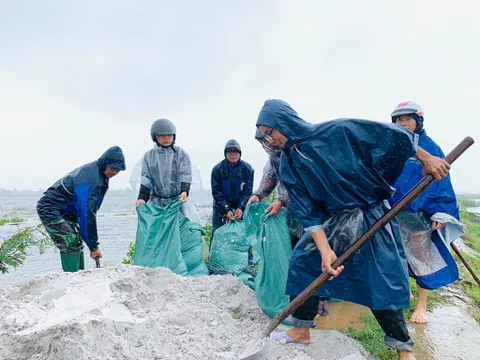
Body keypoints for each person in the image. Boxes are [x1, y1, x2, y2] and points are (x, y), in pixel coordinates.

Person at [255, 99, 450, 360]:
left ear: (284, 123)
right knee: (304, 264)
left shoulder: (338, 131)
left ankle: (405, 351)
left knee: (382, 279)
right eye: (265, 136)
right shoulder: (289, 163)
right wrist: (324, 251)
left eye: (270, 133)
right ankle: (300, 332)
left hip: (369, 215)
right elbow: (307, 211)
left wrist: (425, 158)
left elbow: (395, 135)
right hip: (333, 221)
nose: (269, 141)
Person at [390, 101, 463, 324]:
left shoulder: (430, 148)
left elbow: (442, 181)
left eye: (407, 119)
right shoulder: (392, 145)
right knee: (396, 256)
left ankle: (421, 305)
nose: (402, 124)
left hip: (418, 215)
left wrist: (440, 211)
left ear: (418, 121)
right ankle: (405, 292)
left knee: (422, 258)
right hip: (392, 213)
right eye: (398, 120)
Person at [37, 146, 126, 272]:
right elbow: (86, 213)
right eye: (112, 169)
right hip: (51, 209)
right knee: (70, 241)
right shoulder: (91, 178)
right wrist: (94, 247)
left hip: (66, 211)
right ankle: (71, 279)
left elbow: (90, 211)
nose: (114, 172)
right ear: (105, 163)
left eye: (118, 170)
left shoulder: (100, 175)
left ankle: (80, 276)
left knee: (77, 239)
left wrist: (92, 244)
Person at [135, 119, 192, 210]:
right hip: (156, 203)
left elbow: (185, 174)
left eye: (169, 135)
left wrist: (185, 190)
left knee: (179, 224)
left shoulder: (181, 154)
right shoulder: (149, 156)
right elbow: (146, 179)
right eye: (162, 136)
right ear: (154, 137)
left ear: (174, 136)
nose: (166, 138)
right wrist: (142, 198)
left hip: (178, 201)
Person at [210, 139, 254, 237]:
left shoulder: (248, 169)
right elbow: (217, 193)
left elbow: (247, 192)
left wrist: (241, 207)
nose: (233, 155)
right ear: (225, 154)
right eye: (230, 152)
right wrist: (226, 209)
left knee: (244, 235)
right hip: (221, 207)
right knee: (218, 234)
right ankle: (215, 252)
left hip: (240, 205)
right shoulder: (217, 169)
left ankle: (246, 253)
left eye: (235, 152)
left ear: (239, 154)